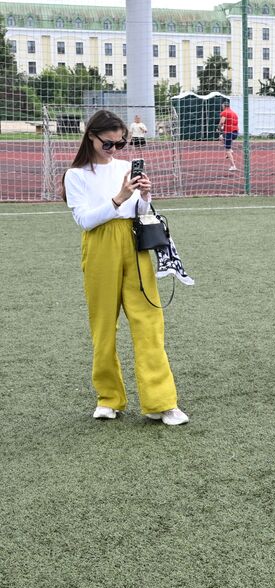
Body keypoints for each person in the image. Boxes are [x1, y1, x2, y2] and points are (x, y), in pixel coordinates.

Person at [62, 110, 188, 426]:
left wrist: (144, 195)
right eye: (109, 143)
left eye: (121, 143)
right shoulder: (76, 175)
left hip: (134, 242)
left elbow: (140, 210)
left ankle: (162, 403)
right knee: (103, 325)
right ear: (91, 136)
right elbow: (85, 220)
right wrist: (119, 196)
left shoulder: (126, 166)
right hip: (100, 244)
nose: (116, 150)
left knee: (149, 320)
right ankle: (109, 398)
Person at [219, 103, 239, 171]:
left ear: (224, 106)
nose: (222, 107)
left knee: (227, 150)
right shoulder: (234, 113)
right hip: (235, 133)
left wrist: (219, 128)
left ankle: (233, 166)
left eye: (222, 106)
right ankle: (230, 150)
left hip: (229, 133)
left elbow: (222, 122)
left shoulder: (225, 112)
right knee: (221, 137)